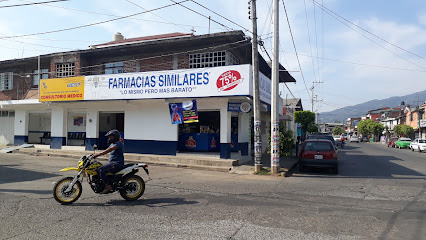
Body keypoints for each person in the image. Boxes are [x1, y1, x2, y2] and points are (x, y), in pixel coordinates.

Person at [93, 129, 124, 194]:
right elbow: (107, 149)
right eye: (109, 137)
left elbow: (109, 150)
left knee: (100, 169)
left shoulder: (118, 143)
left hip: (117, 164)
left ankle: (108, 186)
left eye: (111, 136)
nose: (109, 138)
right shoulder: (113, 143)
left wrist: (98, 154)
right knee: (97, 167)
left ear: (115, 136)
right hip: (112, 163)